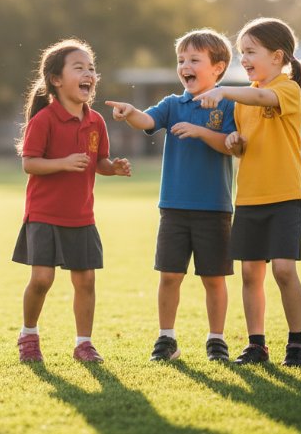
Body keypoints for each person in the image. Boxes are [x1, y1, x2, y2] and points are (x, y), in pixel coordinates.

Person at [105, 29, 236, 363]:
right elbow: (147, 120)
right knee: (169, 275)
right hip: (174, 207)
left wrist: (201, 131)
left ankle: (217, 340)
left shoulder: (230, 104)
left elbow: (233, 146)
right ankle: (167, 339)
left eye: (194, 60)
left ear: (218, 68)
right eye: (181, 60)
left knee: (213, 278)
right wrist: (130, 112)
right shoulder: (172, 104)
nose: (185, 66)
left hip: (214, 206)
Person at [193, 17, 301, 367]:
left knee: (283, 270)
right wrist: (233, 141)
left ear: (277, 57)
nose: (243, 59)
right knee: (250, 274)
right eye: (240, 53)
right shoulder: (241, 100)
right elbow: (241, 144)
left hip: (285, 196)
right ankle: (256, 344)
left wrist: (223, 90)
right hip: (248, 198)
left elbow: (264, 96)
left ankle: (297, 344)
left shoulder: (286, 88)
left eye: (250, 52)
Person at [13, 39, 131, 364]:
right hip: (44, 214)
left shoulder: (97, 122)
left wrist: (113, 168)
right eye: (78, 68)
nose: (88, 74)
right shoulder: (44, 120)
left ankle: (84, 344)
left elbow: (99, 162)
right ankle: (29, 335)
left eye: (91, 68)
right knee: (41, 279)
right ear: (55, 80)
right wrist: (63, 163)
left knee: (86, 280)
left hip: (81, 216)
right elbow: (30, 163)